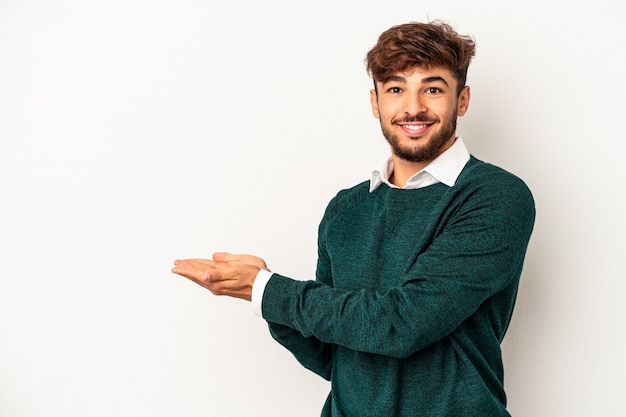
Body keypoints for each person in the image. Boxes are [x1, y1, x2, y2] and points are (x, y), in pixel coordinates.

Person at [172, 20, 535, 417]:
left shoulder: (494, 196)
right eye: (396, 89)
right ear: (375, 102)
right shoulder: (345, 209)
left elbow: (401, 324)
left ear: (462, 100)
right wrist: (264, 297)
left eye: (432, 89)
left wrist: (269, 290)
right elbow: (335, 357)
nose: (413, 108)